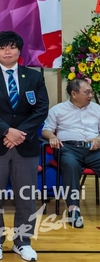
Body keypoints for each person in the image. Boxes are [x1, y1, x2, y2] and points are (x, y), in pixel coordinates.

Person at [0, 31, 48, 261]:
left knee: (26, 197)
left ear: (19, 50)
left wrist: (19, 134)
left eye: (12, 47)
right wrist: (7, 131)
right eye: (3, 47)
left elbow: (41, 109)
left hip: (25, 145)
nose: (7, 51)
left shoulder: (33, 77)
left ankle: (22, 242)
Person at [42, 78, 100, 228]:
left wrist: (98, 138)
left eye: (91, 92)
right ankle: (74, 210)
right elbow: (46, 130)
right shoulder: (58, 110)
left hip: (93, 149)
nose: (90, 95)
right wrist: (52, 136)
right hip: (68, 148)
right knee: (71, 165)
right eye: (87, 92)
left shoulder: (97, 109)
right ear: (74, 93)